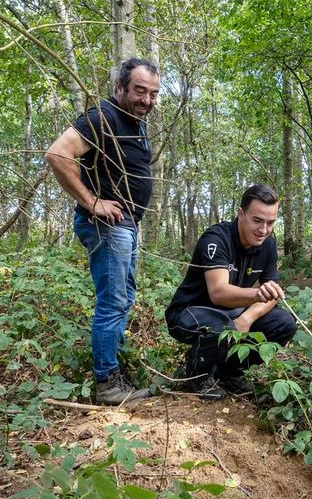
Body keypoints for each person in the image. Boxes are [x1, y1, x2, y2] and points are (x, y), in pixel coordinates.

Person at [45, 57, 159, 405]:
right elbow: (58, 154)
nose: (147, 100)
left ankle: (113, 369)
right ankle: (107, 384)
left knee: (125, 295)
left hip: (125, 226)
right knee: (113, 300)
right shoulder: (102, 117)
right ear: (120, 88)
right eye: (140, 91)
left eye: (153, 94)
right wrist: (94, 203)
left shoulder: (135, 122)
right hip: (106, 224)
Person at [165, 184, 296, 398]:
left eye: (270, 222)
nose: (263, 230)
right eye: (257, 220)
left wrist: (248, 317)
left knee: (283, 323)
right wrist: (255, 295)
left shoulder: (268, 245)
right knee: (222, 326)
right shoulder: (216, 238)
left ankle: (230, 372)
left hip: (232, 313)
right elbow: (218, 292)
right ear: (241, 213)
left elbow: (274, 291)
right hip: (188, 312)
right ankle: (197, 373)